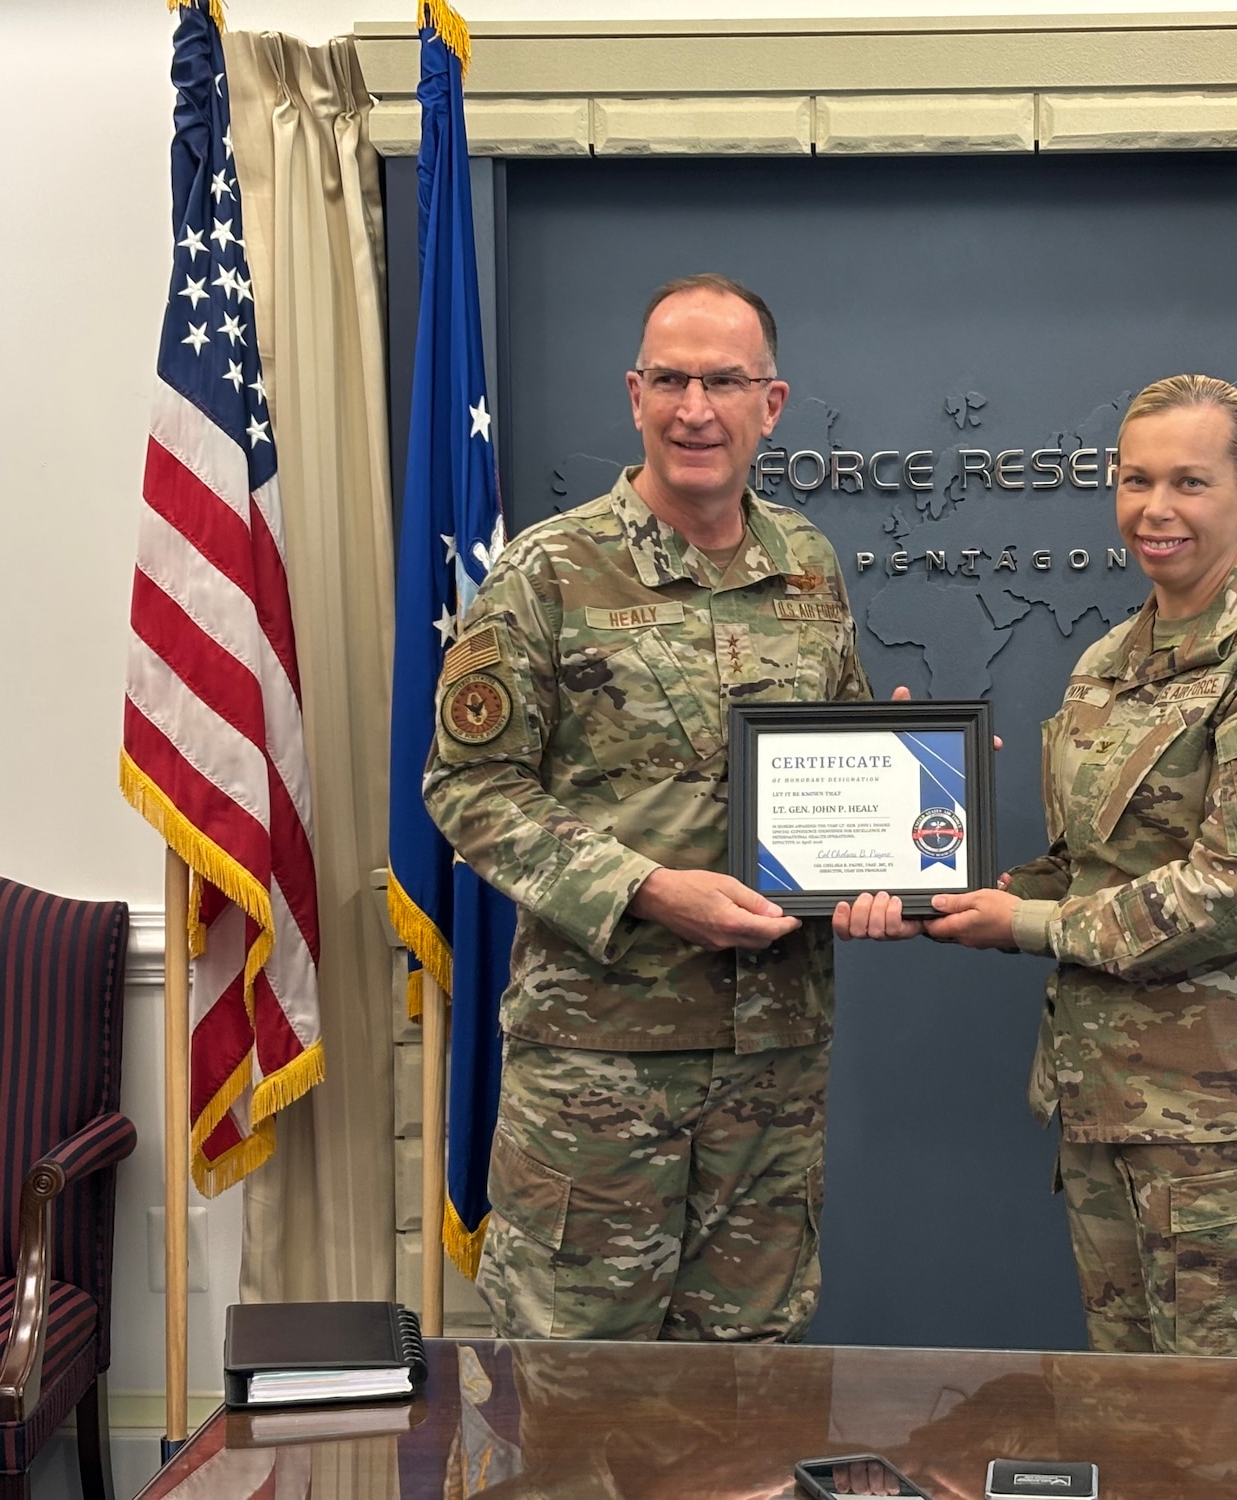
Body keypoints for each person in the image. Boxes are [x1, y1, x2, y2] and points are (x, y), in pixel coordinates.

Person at [423, 273, 874, 1341]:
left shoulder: (806, 567)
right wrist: (644, 890)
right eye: (668, 379)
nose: (693, 408)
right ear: (633, 395)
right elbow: (466, 785)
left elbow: (838, 748)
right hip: (597, 1066)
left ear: (771, 404)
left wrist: (906, 791)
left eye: (723, 381)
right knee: (577, 1391)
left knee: (745, 1389)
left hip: (772, 1063)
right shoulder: (546, 572)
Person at [876, 374, 1237, 1356]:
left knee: (1225, 1439)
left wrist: (1026, 926)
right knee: (1129, 1421)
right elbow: (1092, 865)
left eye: (1189, 482)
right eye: (1134, 480)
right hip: (1106, 1106)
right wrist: (948, 876)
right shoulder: (1107, 658)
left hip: (1228, 1126)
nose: (1156, 509)